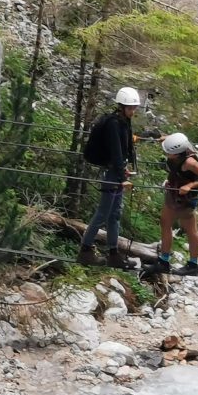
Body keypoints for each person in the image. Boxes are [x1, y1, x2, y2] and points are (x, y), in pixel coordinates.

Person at [80, 87, 140, 267]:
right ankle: (85, 250)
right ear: (121, 106)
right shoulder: (114, 124)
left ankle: (114, 254)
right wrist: (122, 176)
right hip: (111, 174)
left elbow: (122, 150)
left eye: (134, 108)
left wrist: (124, 170)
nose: (133, 111)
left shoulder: (123, 122)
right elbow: (115, 151)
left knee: (114, 215)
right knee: (103, 213)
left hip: (116, 172)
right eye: (130, 108)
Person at [153, 133, 198, 276]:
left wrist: (190, 185)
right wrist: (167, 139)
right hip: (174, 193)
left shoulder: (189, 163)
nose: (166, 153)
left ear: (177, 153)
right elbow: (180, 138)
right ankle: (165, 261)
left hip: (185, 199)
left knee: (190, 230)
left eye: (168, 152)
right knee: (165, 222)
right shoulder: (179, 150)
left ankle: (192, 264)